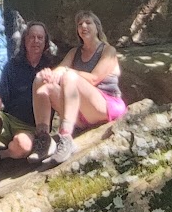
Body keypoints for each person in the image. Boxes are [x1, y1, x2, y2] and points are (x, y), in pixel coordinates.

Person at [33, 9, 124, 166]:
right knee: (40, 79)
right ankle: (43, 140)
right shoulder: (74, 52)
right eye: (80, 24)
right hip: (82, 114)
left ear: (97, 27)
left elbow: (94, 79)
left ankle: (66, 137)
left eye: (88, 23)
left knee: (70, 77)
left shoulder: (108, 51)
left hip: (106, 106)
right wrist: (49, 75)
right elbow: (59, 71)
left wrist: (67, 71)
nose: (83, 26)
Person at [0, 21, 56, 191]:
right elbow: (0, 94)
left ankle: (1, 154)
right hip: (7, 120)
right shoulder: (13, 65)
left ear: (45, 42)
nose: (36, 41)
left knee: (21, 147)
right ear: (25, 40)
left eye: (40, 38)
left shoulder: (52, 65)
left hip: (31, 128)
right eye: (32, 37)